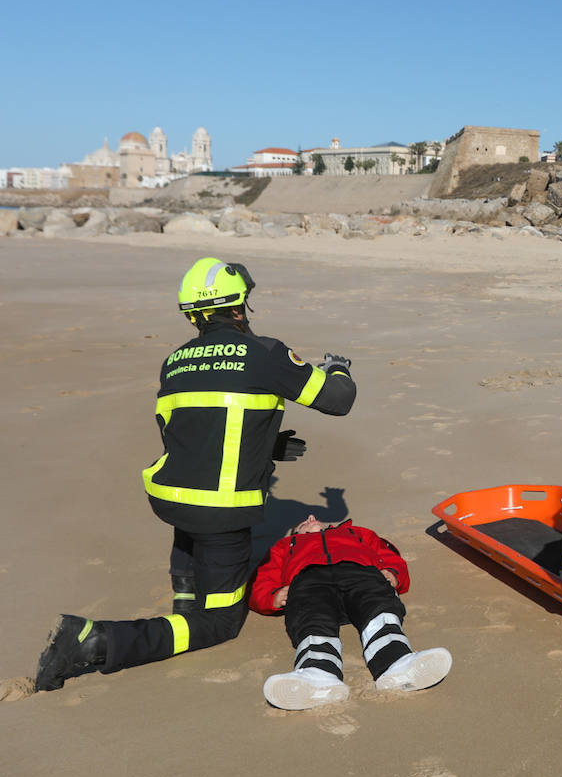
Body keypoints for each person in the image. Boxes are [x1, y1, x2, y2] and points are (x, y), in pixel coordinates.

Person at [35, 258, 358, 691]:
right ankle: (92, 640)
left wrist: (266, 444)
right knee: (221, 623)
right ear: (240, 307)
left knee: (193, 529)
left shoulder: (176, 360)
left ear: (192, 315)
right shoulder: (265, 352)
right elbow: (337, 400)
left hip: (170, 496)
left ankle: (184, 606)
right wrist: (339, 367)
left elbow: (190, 431)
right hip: (218, 510)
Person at [249, 515, 452, 710]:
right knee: (311, 617)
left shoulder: (356, 532)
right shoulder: (285, 545)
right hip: (309, 579)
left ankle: (397, 661)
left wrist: (393, 573)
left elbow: (388, 554)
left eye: (313, 518)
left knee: (378, 605)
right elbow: (264, 576)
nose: (311, 517)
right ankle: (318, 673)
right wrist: (272, 597)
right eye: (303, 523)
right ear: (294, 534)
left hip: (360, 571)